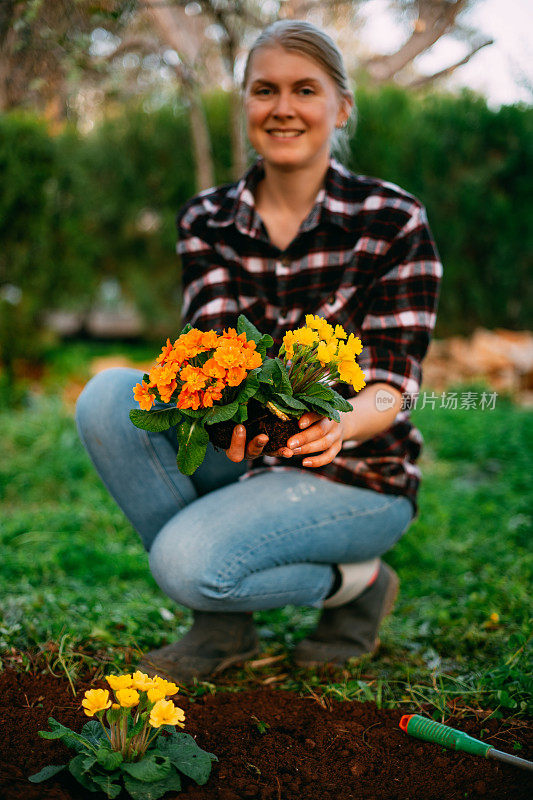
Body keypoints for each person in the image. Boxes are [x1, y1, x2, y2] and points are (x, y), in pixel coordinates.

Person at [76, 19, 442, 682]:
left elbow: (392, 379)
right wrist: (226, 410)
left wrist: (341, 420)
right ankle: (222, 627)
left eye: (305, 89)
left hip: (356, 474)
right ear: (244, 102)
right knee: (107, 398)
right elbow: (209, 353)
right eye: (263, 90)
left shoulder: (391, 220)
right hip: (242, 455)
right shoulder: (207, 220)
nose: (282, 108)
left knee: (186, 565)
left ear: (342, 106)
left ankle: (356, 582)